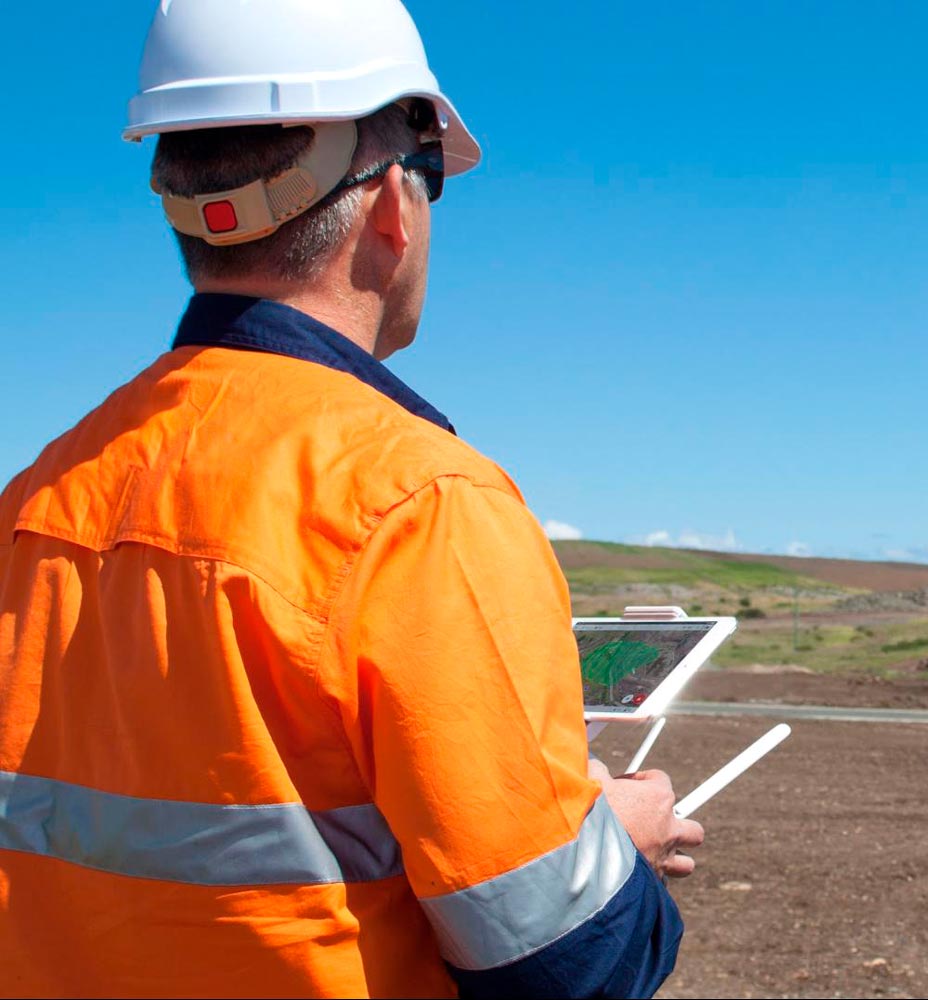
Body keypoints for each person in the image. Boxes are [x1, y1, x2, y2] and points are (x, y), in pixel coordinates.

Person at [0, 1, 703, 997]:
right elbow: (566, 964)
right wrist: (619, 842)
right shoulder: (416, 504)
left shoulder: (37, 497)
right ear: (394, 208)